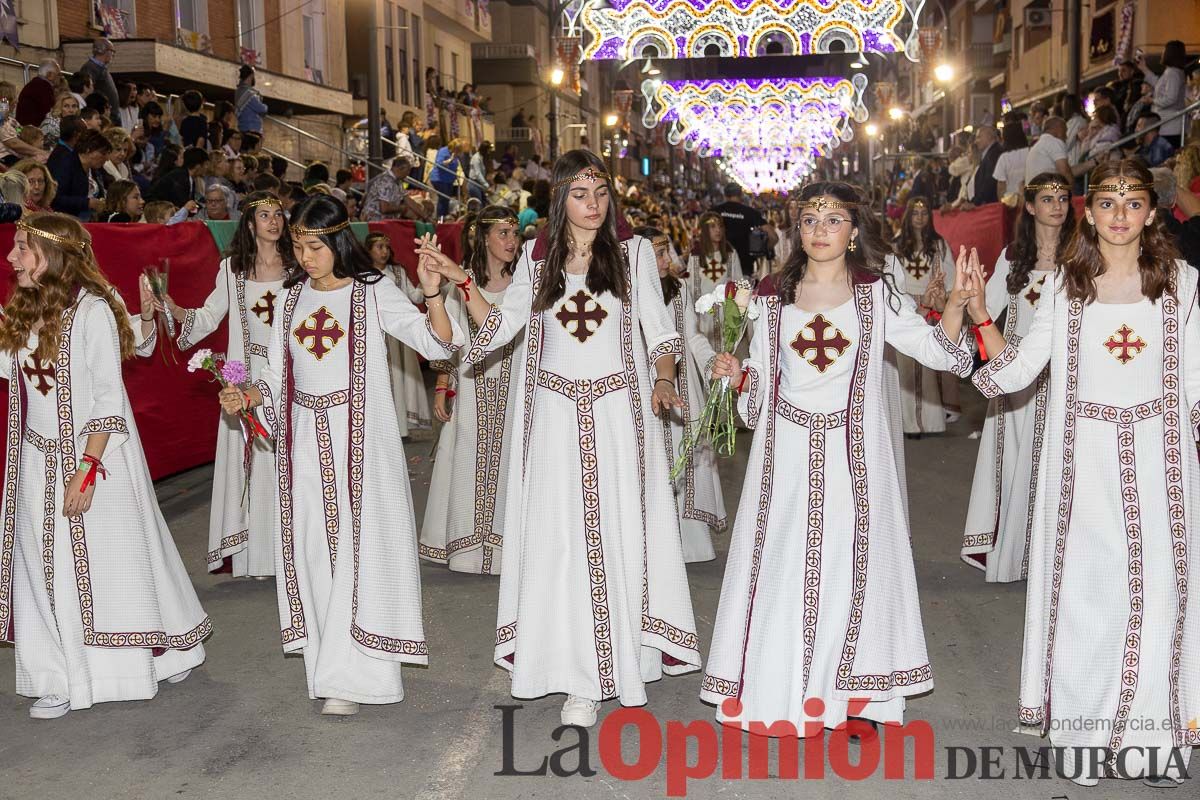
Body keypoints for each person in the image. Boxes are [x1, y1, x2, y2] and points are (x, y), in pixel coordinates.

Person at [424, 150, 701, 727]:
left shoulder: (634, 253)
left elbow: (660, 328)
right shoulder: (535, 256)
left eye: (600, 192)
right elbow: (500, 328)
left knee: (616, 534)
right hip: (551, 418)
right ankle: (572, 667)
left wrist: (666, 379)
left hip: (618, 415)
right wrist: (460, 281)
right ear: (560, 200)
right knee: (561, 540)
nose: (592, 205)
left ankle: (615, 661)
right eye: (580, 193)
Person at [701, 181, 975, 736]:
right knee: (781, 565)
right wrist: (738, 376)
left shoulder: (877, 295)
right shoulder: (772, 295)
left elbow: (935, 351)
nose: (820, 231)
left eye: (833, 220)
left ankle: (854, 694)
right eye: (809, 221)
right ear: (796, 230)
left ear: (854, 229)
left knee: (852, 568)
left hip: (855, 461)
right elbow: (762, 387)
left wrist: (955, 306)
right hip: (786, 456)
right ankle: (780, 689)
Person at [967, 159, 1199, 787]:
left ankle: (1152, 741)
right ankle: (1088, 732)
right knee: (1089, 596)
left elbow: (1197, 381)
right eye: (1107, 203)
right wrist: (976, 317)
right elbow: (1016, 371)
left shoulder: (1183, 283)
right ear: (1088, 213)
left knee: (1157, 600)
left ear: (1152, 212)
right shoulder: (1065, 288)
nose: (1120, 215)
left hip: (1162, 462)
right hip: (1082, 466)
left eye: (1132, 203)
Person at [218, 195, 462, 716]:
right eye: (298, 247)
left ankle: (359, 678)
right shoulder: (290, 298)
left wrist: (433, 294)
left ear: (336, 242)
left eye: (313, 247)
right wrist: (248, 396)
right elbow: (276, 378)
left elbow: (438, 348)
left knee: (359, 552)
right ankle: (329, 666)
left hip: (363, 446)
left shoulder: (372, 291)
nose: (304, 257)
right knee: (313, 550)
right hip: (304, 442)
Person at [0, 212, 211, 720]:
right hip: (36, 459)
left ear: (51, 254)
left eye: (22, 248)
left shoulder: (92, 309)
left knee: (114, 564)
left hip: (97, 457)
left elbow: (106, 398)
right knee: (42, 567)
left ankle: (149, 657)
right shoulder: (22, 309)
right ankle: (56, 674)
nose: (11, 257)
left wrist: (87, 469)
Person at [162, 192, 292, 578]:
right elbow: (207, 316)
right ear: (250, 224)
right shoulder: (232, 269)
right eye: (265, 215)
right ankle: (257, 555)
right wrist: (175, 309)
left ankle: (291, 550)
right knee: (252, 463)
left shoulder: (299, 265)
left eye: (279, 214)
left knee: (286, 459)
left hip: (287, 374)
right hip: (243, 377)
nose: (274, 221)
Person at [961, 174, 1073, 582]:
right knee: (1015, 465)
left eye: (1062, 198)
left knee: (1054, 467)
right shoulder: (1012, 258)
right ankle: (1015, 555)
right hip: (1016, 375)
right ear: (1029, 206)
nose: (1057, 206)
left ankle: (1052, 561)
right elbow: (984, 308)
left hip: (1063, 376)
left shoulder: (1082, 255)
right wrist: (952, 308)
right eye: (1047, 199)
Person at [414, 207, 523, 574]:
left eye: (514, 233)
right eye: (503, 233)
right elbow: (449, 336)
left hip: (515, 391)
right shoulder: (463, 282)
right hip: (473, 388)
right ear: (484, 237)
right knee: (466, 461)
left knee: (511, 461)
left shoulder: (526, 282)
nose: (511, 241)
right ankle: (467, 549)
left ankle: (506, 549)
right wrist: (442, 384)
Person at [641, 225, 726, 562]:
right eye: (658, 254)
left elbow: (692, 337)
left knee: (684, 459)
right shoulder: (625, 294)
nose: (667, 260)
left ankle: (689, 546)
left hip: (684, 391)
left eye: (666, 252)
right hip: (647, 389)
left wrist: (711, 365)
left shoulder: (678, 291)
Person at [886, 196, 958, 435]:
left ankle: (932, 421)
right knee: (904, 368)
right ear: (908, 216)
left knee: (930, 367)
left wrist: (940, 299)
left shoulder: (939, 245)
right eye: (915, 214)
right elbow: (890, 280)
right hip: (906, 310)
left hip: (931, 309)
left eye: (924, 213)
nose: (919, 218)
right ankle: (907, 423)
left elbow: (949, 276)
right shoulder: (896, 246)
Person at [363, 232, 432, 437]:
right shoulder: (362, 274)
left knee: (401, 381)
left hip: (399, 338)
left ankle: (401, 429)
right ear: (368, 251)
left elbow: (415, 296)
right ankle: (380, 429)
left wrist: (427, 281)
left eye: (386, 247)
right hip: (375, 338)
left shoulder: (398, 272)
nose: (384, 252)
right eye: (379, 247)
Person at [48, 121, 110, 221]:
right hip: (64, 218)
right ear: (88, 150)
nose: (106, 159)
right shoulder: (64, 163)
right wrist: (88, 203)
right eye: (103, 153)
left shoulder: (92, 168)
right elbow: (55, 199)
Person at [712, 183, 773, 275]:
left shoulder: (714, 211)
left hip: (717, 266)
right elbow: (773, 236)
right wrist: (762, 250)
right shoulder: (750, 213)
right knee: (741, 289)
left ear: (725, 195)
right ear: (741, 195)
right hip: (744, 266)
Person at [1136, 40, 1188, 147]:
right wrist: (1144, 69)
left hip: (1170, 126)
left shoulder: (1173, 73)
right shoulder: (1171, 72)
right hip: (1167, 124)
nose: (1162, 53)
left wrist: (1152, 100)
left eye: (1164, 50)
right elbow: (1160, 85)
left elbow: (1170, 98)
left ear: (1170, 53)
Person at [360, 158, 427, 221]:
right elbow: (384, 208)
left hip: (386, 221)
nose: (408, 174)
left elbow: (407, 200)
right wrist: (402, 208)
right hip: (374, 220)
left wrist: (425, 216)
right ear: (400, 169)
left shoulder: (398, 182)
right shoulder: (386, 181)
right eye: (407, 171)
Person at [76, 39, 121, 126]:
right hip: (103, 116)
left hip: (110, 114)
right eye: (112, 51)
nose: (113, 55)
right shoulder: (90, 68)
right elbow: (90, 94)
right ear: (104, 51)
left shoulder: (101, 68)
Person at [15, 59, 61, 127]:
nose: (60, 77)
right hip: (33, 130)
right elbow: (49, 111)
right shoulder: (44, 87)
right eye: (58, 74)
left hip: (24, 127)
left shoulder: (33, 84)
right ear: (49, 74)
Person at [993, 118, 1030, 199]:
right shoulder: (1030, 152)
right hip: (1029, 196)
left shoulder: (1004, 158)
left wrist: (1002, 203)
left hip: (1011, 200)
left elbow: (1001, 186)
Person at [970, 125, 1002, 206]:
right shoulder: (990, 153)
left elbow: (990, 182)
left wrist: (976, 202)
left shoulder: (994, 154)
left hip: (990, 205)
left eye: (979, 137)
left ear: (989, 136)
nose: (976, 141)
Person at [235, 65, 268, 141]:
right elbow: (262, 109)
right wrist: (265, 106)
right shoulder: (248, 93)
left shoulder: (239, 91)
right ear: (251, 76)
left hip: (243, 128)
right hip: (251, 130)